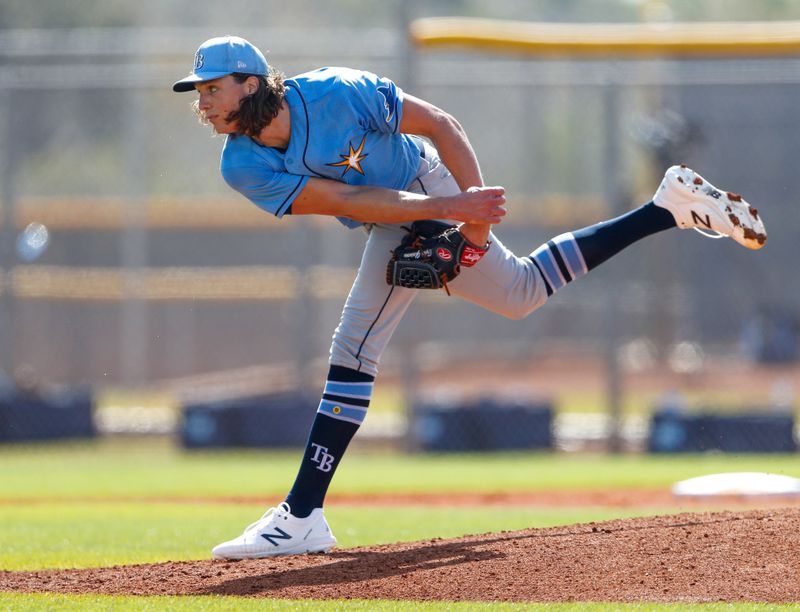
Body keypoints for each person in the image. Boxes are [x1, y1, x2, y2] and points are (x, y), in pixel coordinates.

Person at [173, 36, 766, 560]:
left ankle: (301, 515)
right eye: (197, 91)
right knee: (522, 292)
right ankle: (665, 208)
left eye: (211, 88)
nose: (201, 102)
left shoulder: (335, 91)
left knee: (354, 347)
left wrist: (473, 218)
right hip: (406, 208)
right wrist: (449, 214)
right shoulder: (241, 164)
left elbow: (441, 125)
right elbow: (353, 203)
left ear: (251, 84)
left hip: (431, 179)